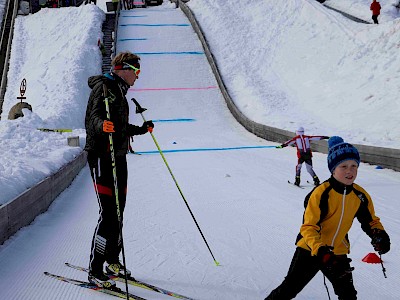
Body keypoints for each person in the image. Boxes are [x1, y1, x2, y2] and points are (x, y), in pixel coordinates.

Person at [265, 136, 391, 300]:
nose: (349, 171)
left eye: (354, 166)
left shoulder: (360, 195)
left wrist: (379, 235)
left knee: (348, 295)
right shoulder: (321, 193)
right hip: (310, 249)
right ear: (333, 169)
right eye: (343, 166)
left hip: (337, 252)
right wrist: (321, 250)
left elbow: (370, 221)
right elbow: (308, 227)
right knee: (288, 289)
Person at [84, 51, 154, 288]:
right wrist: (101, 126)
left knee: (118, 211)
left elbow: (120, 127)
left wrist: (141, 130)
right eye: (136, 72)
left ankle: (112, 261)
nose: (138, 77)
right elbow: (92, 119)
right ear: (123, 69)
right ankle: (95, 269)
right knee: (109, 215)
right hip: (103, 157)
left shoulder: (120, 92)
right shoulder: (103, 88)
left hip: (119, 156)